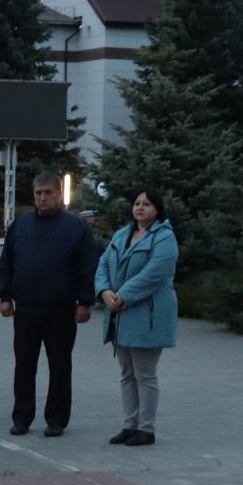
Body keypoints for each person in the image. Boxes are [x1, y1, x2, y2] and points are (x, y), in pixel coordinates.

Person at [0, 172, 97, 438]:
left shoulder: (75, 228)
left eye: (48, 193)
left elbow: (88, 267)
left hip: (61, 311)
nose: (42, 198)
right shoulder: (20, 225)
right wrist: (5, 296)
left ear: (59, 194)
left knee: (60, 366)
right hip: (26, 309)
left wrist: (85, 302)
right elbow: (6, 264)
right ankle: (22, 418)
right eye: (38, 193)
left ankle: (56, 420)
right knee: (24, 366)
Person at [95, 189, 179, 447]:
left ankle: (147, 428)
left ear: (157, 209)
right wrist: (105, 292)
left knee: (145, 374)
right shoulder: (122, 234)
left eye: (147, 204)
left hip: (146, 314)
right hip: (120, 314)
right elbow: (102, 264)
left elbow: (155, 274)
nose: (140, 207)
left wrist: (122, 295)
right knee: (127, 373)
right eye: (137, 203)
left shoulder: (164, 238)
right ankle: (129, 424)